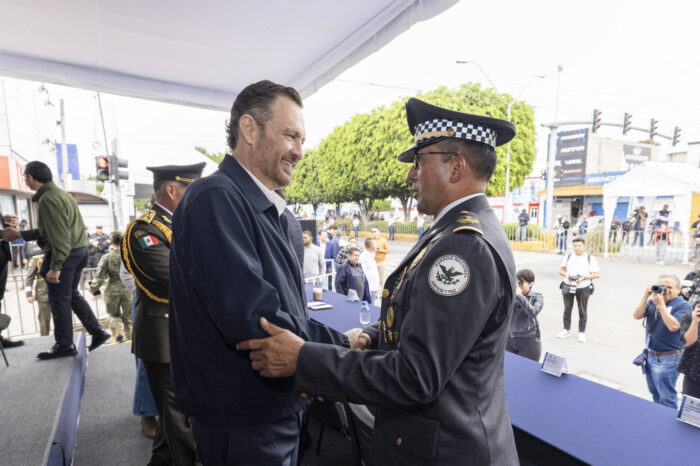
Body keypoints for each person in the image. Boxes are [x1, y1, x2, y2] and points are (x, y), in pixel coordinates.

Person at [238, 97, 520, 464]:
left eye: (419, 162)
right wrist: (373, 335)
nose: (409, 175)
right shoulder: (452, 232)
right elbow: (423, 315)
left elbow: (415, 376)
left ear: (456, 168)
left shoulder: (464, 247)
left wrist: (304, 358)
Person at [168, 80, 355, 465]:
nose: (299, 151)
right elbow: (257, 320)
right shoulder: (215, 198)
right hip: (243, 419)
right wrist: (342, 345)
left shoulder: (263, 207)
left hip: (270, 409)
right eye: (290, 135)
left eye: (301, 139)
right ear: (249, 129)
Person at [122, 163, 205, 465]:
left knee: (171, 431)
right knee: (179, 424)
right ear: (171, 190)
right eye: (190, 189)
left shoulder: (184, 224)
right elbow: (178, 274)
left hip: (185, 336)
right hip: (164, 341)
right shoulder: (144, 230)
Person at [2, 161, 109, 359]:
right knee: (71, 295)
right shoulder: (61, 195)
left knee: (59, 299)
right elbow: (48, 232)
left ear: (31, 178)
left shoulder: (48, 200)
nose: (26, 181)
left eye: (26, 177)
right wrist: (20, 234)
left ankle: (64, 344)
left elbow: (60, 237)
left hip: (65, 254)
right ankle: (97, 331)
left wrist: (56, 267)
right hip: (78, 251)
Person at [632, 275, 691, 408]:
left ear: (679, 289)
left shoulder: (684, 306)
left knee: (666, 396)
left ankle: (668, 425)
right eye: (662, 286)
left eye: (669, 287)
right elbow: (636, 315)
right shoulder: (654, 300)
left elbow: (674, 326)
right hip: (650, 354)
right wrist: (645, 297)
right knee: (655, 392)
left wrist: (661, 305)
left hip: (669, 357)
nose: (665, 290)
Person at [119, 259, 158, 439]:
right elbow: (125, 272)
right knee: (148, 358)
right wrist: (144, 293)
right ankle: (147, 413)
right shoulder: (137, 232)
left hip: (179, 299)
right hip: (148, 300)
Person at [89, 233, 132, 342]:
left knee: (113, 315)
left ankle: (118, 334)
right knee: (128, 317)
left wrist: (93, 287)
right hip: (128, 289)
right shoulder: (129, 256)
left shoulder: (107, 257)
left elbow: (100, 276)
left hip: (112, 289)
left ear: (111, 242)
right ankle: (130, 336)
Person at [557, 237, 600, 343]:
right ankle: (566, 329)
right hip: (568, 285)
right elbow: (561, 270)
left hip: (583, 287)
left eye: (579, 245)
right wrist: (567, 275)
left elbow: (597, 274)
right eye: (575, 246)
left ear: (584, 246)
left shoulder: (590, 258)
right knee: (567, 309)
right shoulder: (568, 256)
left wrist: (584, 277)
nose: (576, 248)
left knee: (582, 310)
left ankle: (581, 332)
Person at [507, 269, 543, 362]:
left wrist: (519, 296)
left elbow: (533, 312)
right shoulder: (510, 294)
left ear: (531, 284)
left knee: (527, 370)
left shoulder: (537, 297)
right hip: (509, 338)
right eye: (517, 282)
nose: (519, 285)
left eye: (521, 282)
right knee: (509, 369)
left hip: (528, 340)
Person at [25, 249, 51, 336]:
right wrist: (28, 295)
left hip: (59, 293)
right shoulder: (37, 259)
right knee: (44, 320)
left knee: (62, 319)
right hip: (43, 293)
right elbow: (29, 278)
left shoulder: (58, 255)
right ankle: (44, 339)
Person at [678, 304, 700, 398]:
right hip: (694, 373)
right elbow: (688, 342)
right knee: (689, 410)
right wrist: (695, 322)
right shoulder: (689, 317)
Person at [359, 238, 380, 303]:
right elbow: (362, 273)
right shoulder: (363, 256)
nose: (376, 245)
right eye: (375, 244)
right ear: (371, 245)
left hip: (374, 286)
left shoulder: (372, 254)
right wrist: (368, 290)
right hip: (369, 288)